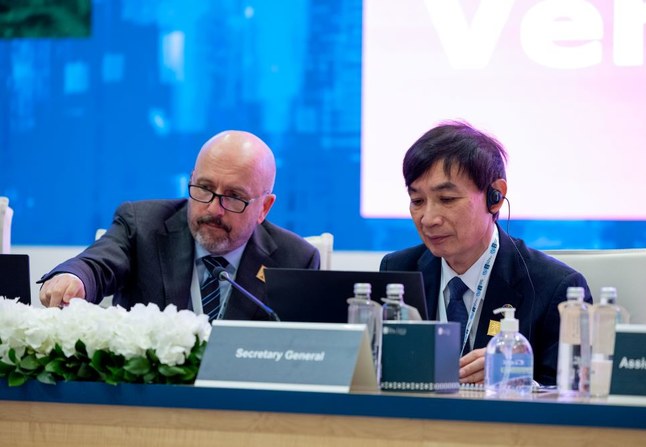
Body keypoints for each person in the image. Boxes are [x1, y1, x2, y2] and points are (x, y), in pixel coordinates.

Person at [380, 121, 591, 386]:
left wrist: (516, 379)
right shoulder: (399, 270)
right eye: (417, 201)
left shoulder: (555, 288)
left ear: (496, 197)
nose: (429, 219)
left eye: (447, 199)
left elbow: (575, 392)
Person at [39, 130, 320, 320]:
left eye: (234, 197)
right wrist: (74, 277)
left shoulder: (296, 260)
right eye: (204, 188)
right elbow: (99, 264)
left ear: (264, 207)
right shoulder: (142, 226)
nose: (214, 208)